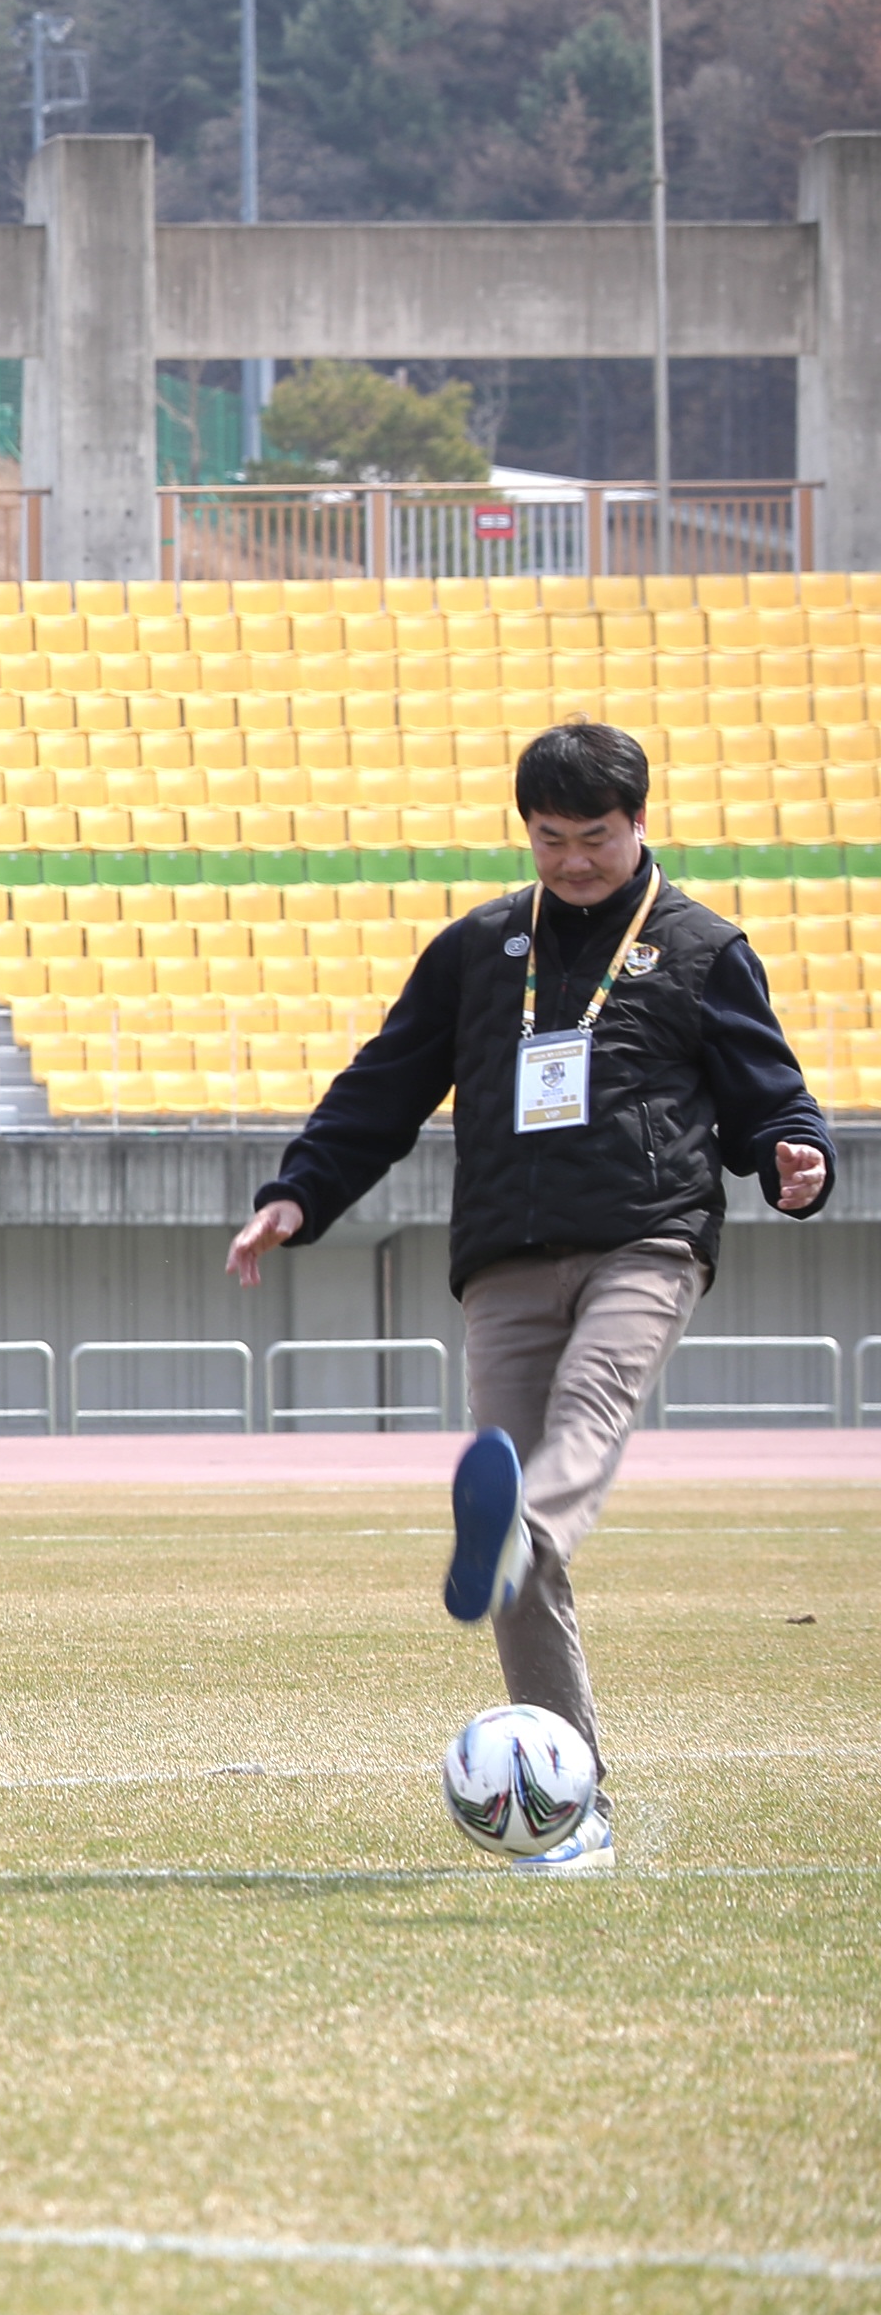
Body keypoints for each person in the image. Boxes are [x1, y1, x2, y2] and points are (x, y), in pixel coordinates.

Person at [226, 720, 834, 1872]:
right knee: (523, 1573)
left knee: (585, 1423)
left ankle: (517, 1519)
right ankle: (572, 1807)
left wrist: (799, 1157)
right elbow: (384, 1085)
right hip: (503, 1255)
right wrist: (299, 1194)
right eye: (549, 839)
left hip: (646, 1242)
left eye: (594, 838)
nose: (571, 862)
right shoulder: (480, 948)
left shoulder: (702, 948)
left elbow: (772, 1098)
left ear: (639, 823)